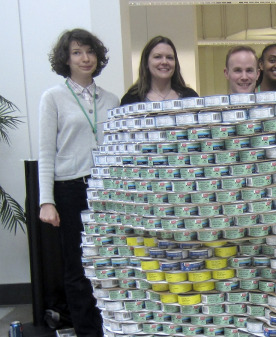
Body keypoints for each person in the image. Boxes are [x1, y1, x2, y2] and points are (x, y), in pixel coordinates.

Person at [39, 28, 119, 337]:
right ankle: (87, 332)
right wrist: (47, 200)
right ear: (66, 59)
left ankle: (112, 326)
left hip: (106, 189)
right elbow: (46, 151)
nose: (85, 58)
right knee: (77, 265)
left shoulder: (111, 99)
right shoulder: (53, 98)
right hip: (71, 188)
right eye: (76, 52)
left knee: (107, 260)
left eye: (89, 52)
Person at [121, 36, 198, 105]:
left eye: (169, 57)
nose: (164, 62)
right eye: (157, 57)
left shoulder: (190, 97)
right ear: (146, 63)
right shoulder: (130, 100)